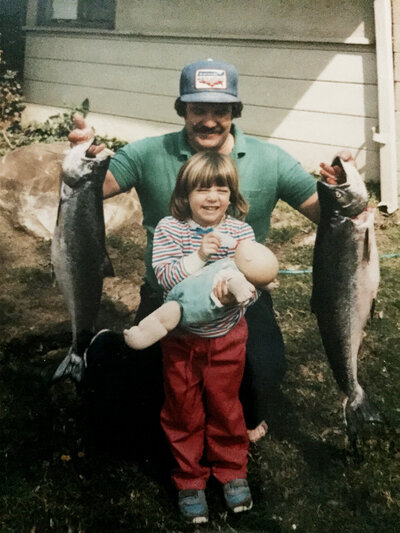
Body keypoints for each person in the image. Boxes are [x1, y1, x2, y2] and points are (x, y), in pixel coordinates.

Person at [69, 58, 348, 446]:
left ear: (235, 111)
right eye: (198, 109)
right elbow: (85, 192)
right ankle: (104, 348)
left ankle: (240, 404)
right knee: (143, 404)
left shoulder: (271, 159)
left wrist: (341, 193)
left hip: (241, 297)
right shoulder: (149, 152)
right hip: (168, 293)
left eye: (221, 110)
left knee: (264, 370)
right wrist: (82, 158)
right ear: (182, 109)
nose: (209, 120)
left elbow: (322, 213)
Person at [135, 150, 264, 522]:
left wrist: (238, 292)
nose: (212, 197)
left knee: (226, 405)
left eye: (221, 189)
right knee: (182, 408)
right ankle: (189, 477)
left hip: (227, 336)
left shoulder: (241, 233)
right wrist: (198, 258)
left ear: (232, 195)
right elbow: (166, 279)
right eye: (202, 189)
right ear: (184, 195)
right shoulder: (169, 229)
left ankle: (232, 470)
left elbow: (252, 285)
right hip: (182, 339)